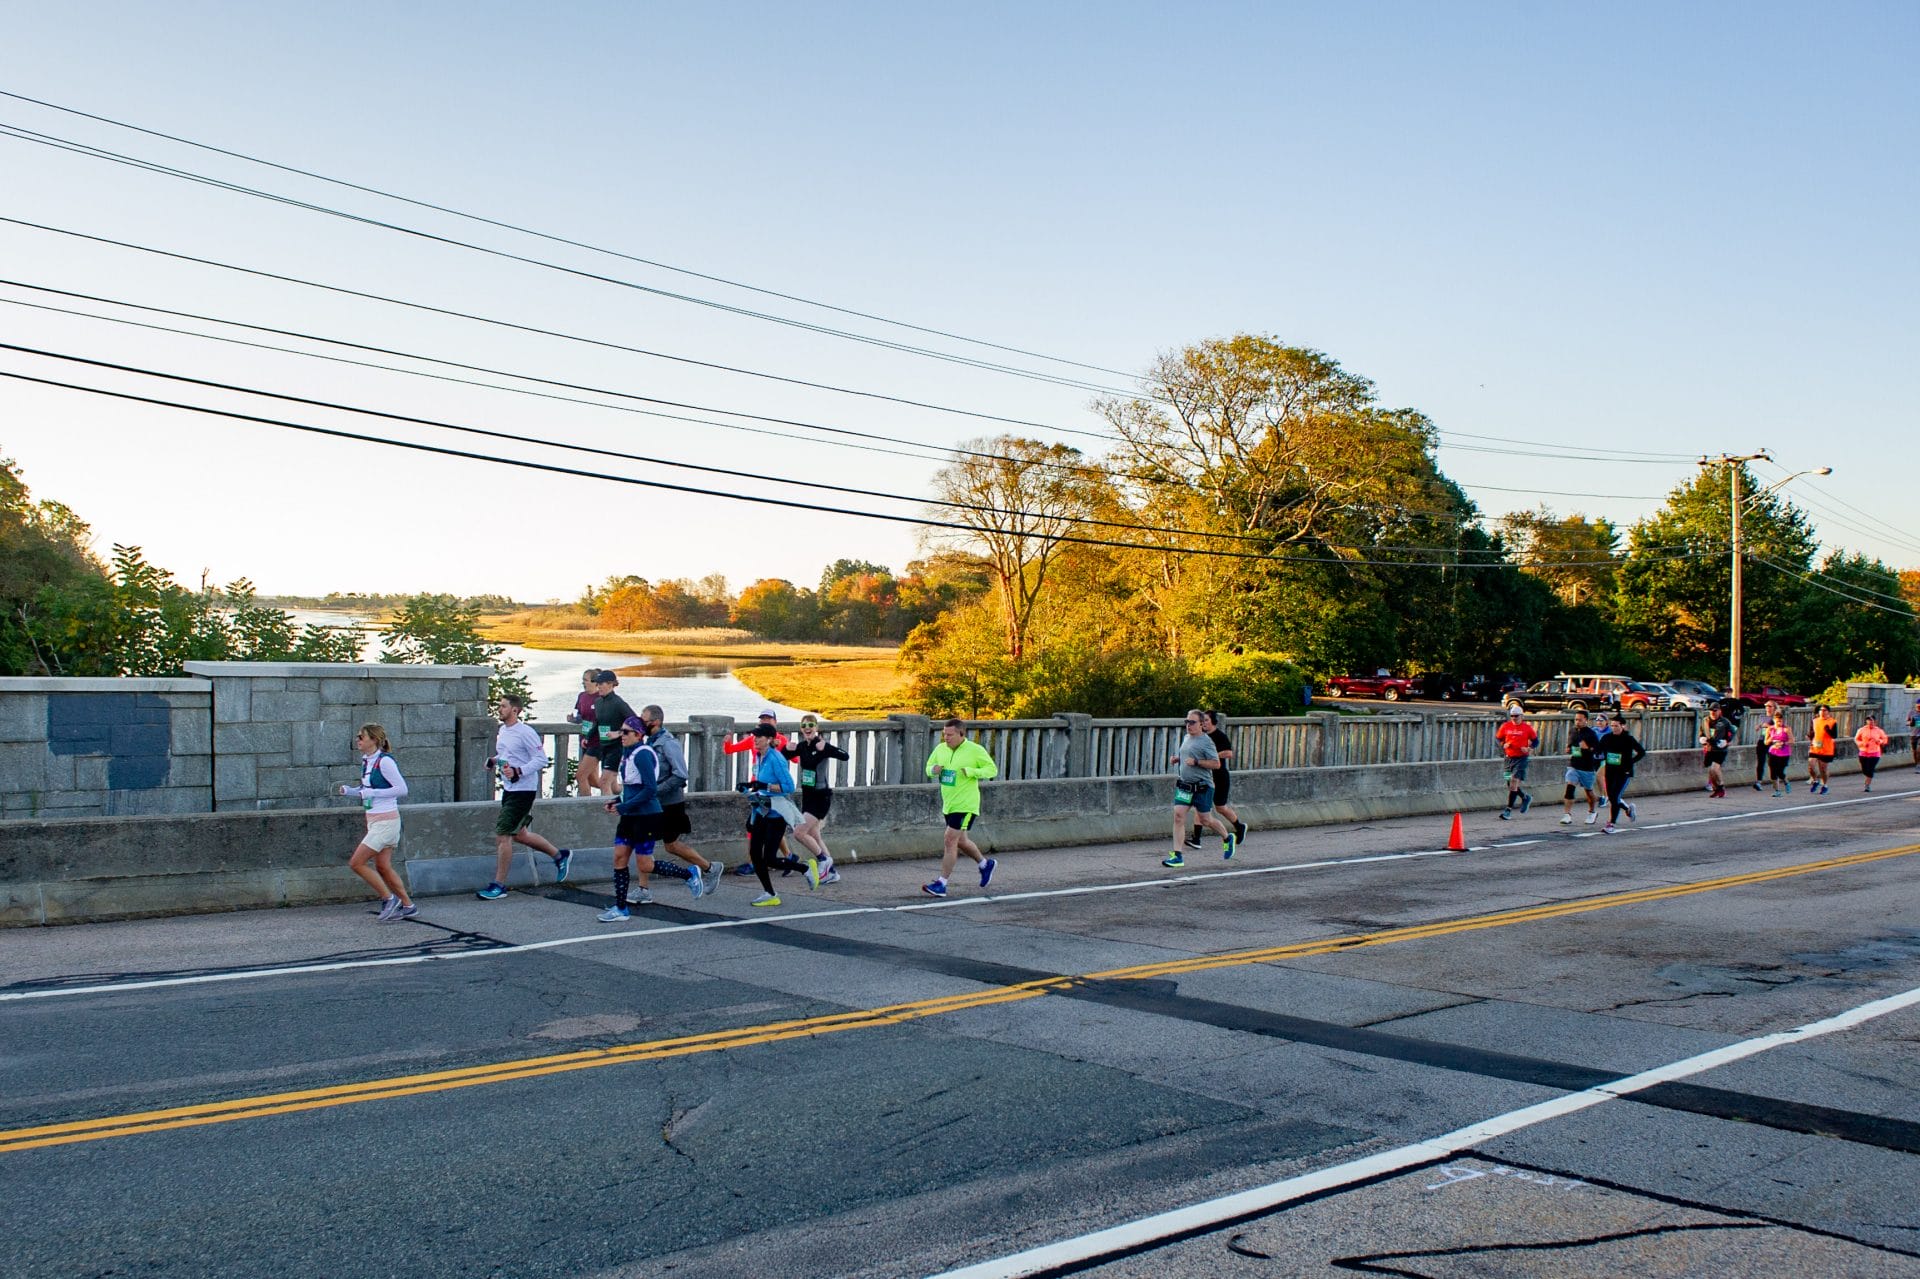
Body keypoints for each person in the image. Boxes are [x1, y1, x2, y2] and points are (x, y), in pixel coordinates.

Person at [476, 694, 571, 901]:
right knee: (519, 834)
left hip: (523, 790)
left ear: (515, 710)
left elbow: (541, 760)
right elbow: (505, 756)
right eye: (499, 705)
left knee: (503, 835)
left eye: (503, 706)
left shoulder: (526, 732)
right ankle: (559, 855)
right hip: (510, 788)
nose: (499, 709)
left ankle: (498, 885)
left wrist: (519, 771)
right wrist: (493, 761)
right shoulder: (503, 731)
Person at [639, 704, 721, 898]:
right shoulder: (649, 742)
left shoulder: (668, 743)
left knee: (669, 845)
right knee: (648, 842)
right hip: (654, 803)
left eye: (644, 720)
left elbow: (681, 775)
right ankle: (709, 868)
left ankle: (709, 868)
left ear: (656, 722)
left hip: (669, 803)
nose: (641, 723)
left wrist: (655, 791)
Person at [339, 724, 415, 921]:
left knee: (356, 863)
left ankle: (389, 899)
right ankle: (408, 905)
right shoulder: (367, 761)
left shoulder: (385, 762)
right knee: (382, 866)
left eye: (361, 737)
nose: (358, 740)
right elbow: (368, 787)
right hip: (374, 819)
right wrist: (352, 791)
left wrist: (371, 792)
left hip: (386, 821)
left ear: (373, 740)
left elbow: (402, 789)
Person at [743, 723, 818, 907]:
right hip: (762, 809)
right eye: (754, 737)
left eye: (758, 737)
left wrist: (764, 786)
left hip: (777, 813)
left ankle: (805, 868)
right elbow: (763, 783)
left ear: (768, 739)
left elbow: (789, 787)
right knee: (754, 852)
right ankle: (770, 893)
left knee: (770, 858)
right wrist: (751, 786)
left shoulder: (776, 759)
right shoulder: (761, 757)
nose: (755, 740)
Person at [599, 716, 666, 922]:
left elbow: (650, 789)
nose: (622, 735)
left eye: (626, 732)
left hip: (646, 815)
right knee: (619, 856)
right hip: (630, 814)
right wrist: (617, 800)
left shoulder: (643, 754)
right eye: (621, 731)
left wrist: (624, 806)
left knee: (645, 865)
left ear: (638, 735)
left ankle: (690, 874)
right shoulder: (628, 754)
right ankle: (620, 908)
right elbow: (630, 788)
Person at [922, 718, 999, 895]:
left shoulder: (975, 750)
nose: (946, 738)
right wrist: (933, 770)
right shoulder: (940, 749)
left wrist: (972, 772)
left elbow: (992, 770)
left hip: (966, 804)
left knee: (949, 839)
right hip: (949, 804)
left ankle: (941, 883)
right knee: (961, 841)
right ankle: (985, 865)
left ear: (961, 734)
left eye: (950, 735)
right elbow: (928, 766)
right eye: (944, 734)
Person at [1163, 710, 1235, 868]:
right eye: (1187, 722)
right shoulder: (1186, 737)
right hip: (1185, 785)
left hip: (1202, 787)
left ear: (1202, 724)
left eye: (1192, 722)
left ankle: (1227, 837)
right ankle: (1177, 856)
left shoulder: (1207, 742)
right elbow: (1187, 754)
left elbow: (1216, 764)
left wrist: (1196, 762)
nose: (1188, 725)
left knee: (1205, 820)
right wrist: (1178, 759)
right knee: (1178, 816)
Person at [786, 714, 849, 883]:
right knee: (814, 835)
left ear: (816, 728)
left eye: (811, 725)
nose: (807, 728)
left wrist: (827, 746)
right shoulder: (801, 746)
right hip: (808, 797)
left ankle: (824, 861)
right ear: (801, 729)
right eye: (804, 725)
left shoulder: (821, 746)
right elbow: (783, 757)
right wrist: (786, 748)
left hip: (821, 797)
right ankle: (832, 873)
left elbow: (845, 756)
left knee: (799, 832)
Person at [1185, 711, 1247, 851]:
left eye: (1206, 720)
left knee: (1220, 807)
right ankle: (1196, 838)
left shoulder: (1220, 736)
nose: (1203, 723)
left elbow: (1229, 753)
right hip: (1206, 777)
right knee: (1199, 806)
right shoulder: (1201, 736)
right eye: (1202, 720)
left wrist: (1213, 756)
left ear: (1213, 722)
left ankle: (1239, 826)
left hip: (1220, 777)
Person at [588, 671, 634, 798]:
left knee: (603, 782)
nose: (598, 687)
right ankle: (633, 791)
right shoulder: (598, 702)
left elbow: (636, 722)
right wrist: (588, 739)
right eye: (597, 684)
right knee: (614, 787)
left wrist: (619, 733)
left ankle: (608, 815)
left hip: (617, 748)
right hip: (604, 747)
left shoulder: (618, 703)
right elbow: (598, 723)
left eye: (601, 684)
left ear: (611, 684)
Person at [1597, 713, 1645, 833]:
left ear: (1623, 726)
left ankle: (1611, 824)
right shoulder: (1607, 738)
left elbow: (1641, 752)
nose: (1614, 728)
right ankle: (1628, 809)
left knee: (1615, 797)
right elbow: (1598, 750)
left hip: (1624, 772)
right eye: (1612, 726)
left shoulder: (1628, 739)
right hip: (1610, 771)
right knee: (1612, 797)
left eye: (1616, 726)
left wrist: (1630, 762)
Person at [1560, 708, 1603, 825]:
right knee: (1570, 788)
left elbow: (1598, 750)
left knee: (1589, 791)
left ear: (1586, 721)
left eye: (1580, 720)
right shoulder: (1572, 731)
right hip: (1573, 764)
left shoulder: (1591, 734)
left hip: (1587, 767)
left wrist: (1588, 748)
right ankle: (1567, 815)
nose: (1577, 722)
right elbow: (1570, 744)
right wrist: (1568, 748)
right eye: (1576, 720)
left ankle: (1592, 812)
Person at [1495, 704, 1538, 820]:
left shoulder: (1527, 728)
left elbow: (1535, 741)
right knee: (1509, 784)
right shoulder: (1506, 726)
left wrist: (1529, 749)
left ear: (1522, 716)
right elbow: (1498, 738)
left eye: (1516, 716)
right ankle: (1525, 797)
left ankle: (1508, 810)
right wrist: (1503, 744)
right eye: (1512, 716)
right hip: (1508, 758)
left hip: (1521, 758)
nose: (1514, 718)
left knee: (1514, 782)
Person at [567, 668, 603, 796]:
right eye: (582, 680)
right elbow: (581, 716)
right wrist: (573, 720)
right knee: (592, 780)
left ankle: (587, 806)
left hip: (596, 741)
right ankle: (618, 791)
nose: (583, 683)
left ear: (595, 682)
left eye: (585, 680)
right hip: (584, 740)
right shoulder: (581, 696)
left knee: (581, 776)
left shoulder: (601, 697)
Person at [1699, 703, 1737, 798]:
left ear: (1719, 711)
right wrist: (1702, 738)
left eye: (1715, 710)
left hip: (1720, 749)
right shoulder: (1705, 720)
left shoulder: (1724, 721)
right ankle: (1716, 789)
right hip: (1710, 748)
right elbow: (1702, 732)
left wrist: (1726, 741)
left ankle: (1721, 786)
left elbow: (1732, 731)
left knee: (1714, 768)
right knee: (1711, 771)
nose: (1713, 712)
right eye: (1711, 710)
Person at [1807, 704, 1839, 795]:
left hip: (1826, 749)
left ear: (1828, 712)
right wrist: (1810, 736)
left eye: (1824, 710)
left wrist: (1828, 730)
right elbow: (1812, 732)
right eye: (1821, 710)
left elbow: (1834, 735)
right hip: (1815, 747)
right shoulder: (1815, 721)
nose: (1822, 712)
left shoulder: (1832, 722)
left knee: (1823, 769)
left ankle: (1825, 785)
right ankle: (1815, 780)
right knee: (1810, 766)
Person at [1750, 699, 1780, 791]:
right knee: (1760, 762)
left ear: (1774, 708)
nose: (1767, 708)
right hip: (1762, 740)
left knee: (1772, 763)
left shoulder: (1776, 718)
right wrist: (1759, 726)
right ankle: (1759, 782)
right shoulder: (1764, 717)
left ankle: (1775, 781)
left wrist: (1769, 726)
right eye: (1766, 706)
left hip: (1772, 742)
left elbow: (1779, 728)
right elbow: (1762, 726)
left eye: (1770, 706)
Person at [1762, 708, 1793, 796]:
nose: (1779, 723)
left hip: (1784, 753)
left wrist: (1783, 742)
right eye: (1777, 721)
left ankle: (1786, 782)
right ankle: (1777, 791)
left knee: (1780, 771)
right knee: (1773, 772)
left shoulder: (1786, 729)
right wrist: (1772, 739)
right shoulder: (1770, 729)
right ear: (1774, 720)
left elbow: (1792, 740)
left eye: (1781, 721)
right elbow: (1766, 742)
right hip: (1773, 752)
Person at [1855, 713, 1889, 792]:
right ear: (1866, 721)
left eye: (1871, 720)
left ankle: (1867, 785)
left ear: (1874, 721)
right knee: (1864, 769)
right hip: (1863, 752)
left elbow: (1885, 739)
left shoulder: (1879, 731)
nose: (1870, 722)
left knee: (1870, 769)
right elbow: (1856, 739)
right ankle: (1867, 778)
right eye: (1868, 720)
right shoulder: (1861, 730)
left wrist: (1879, 741)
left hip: (1874, 753)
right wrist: (1862, 744)